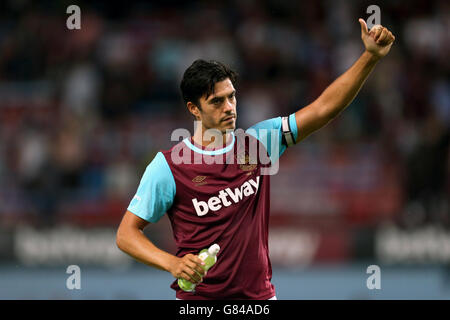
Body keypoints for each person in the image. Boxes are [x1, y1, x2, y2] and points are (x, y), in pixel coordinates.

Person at [116, 19, 395, 300]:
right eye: (216, 101)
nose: (229, 108)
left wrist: (369, 57)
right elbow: (126, 235)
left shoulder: (258, 143)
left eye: (231, 97)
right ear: (194, 109)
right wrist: (172, 263)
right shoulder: (168, 166)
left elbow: (324, 109)